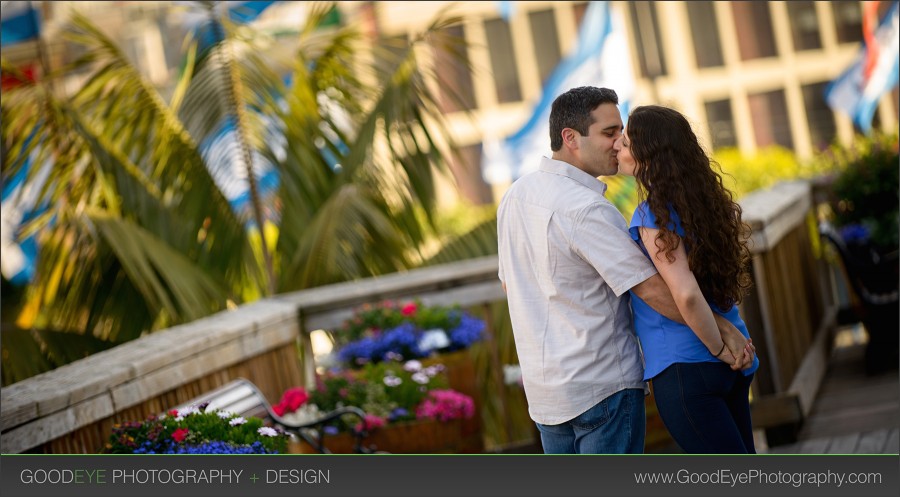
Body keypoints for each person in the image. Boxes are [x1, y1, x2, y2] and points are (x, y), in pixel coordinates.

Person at [497, 86, 753, 454]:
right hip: (603, 386)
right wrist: (722, 330)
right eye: (609, 132)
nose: (618, 142)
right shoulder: (587, 209)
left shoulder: (515, 196)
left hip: (545, 394)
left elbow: (511, 285)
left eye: (622, 133)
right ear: (570, 138)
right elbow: (651, 289)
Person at [613, 104, 760, 453]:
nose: (618, 145)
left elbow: (687, 294)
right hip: (737, 356)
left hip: (689, 367)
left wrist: (718, 349)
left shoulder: (652, 214)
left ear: (649, 156)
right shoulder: (704, 204)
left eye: (627, 141)